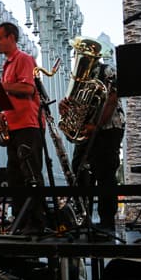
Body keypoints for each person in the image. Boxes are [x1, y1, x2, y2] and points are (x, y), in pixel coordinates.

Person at [60, 61, 124, 233]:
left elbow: (111, 99)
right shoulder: (80, 76)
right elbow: (74, 103)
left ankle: (107, 222)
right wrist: (65, 108)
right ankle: (83, 217)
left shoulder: (107, 70)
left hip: (108, 129)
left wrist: (96, 125)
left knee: (105, 172)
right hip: (87, 129)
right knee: (79, 170)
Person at [0, 21, 46, 233]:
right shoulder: (7, 65)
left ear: (11, 38)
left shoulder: (24, 59)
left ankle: (36, 223)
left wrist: (1, 86)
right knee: (15, 176)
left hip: (28, 125)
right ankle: (20, 221)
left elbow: (27, 88)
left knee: (31, 175)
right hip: (14, 127)